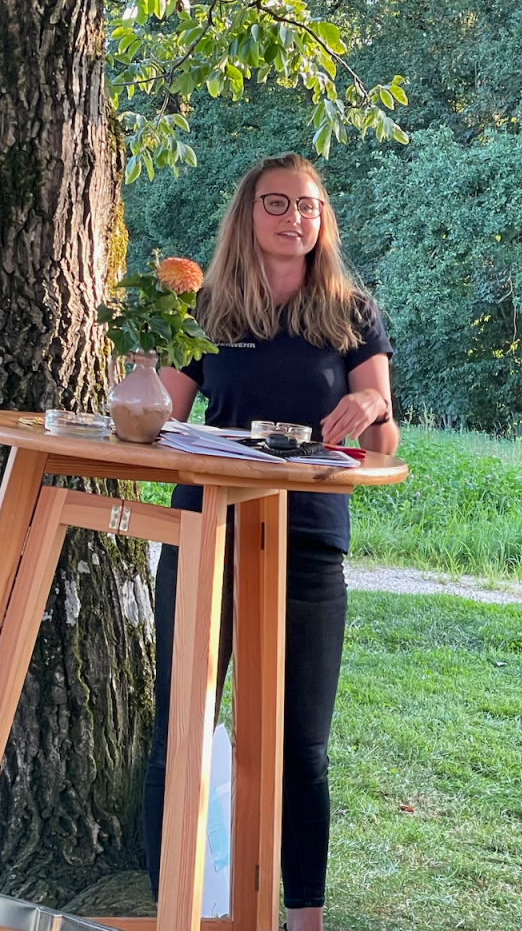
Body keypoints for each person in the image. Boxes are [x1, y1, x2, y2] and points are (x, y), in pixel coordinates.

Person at [142, 153, 400, 931]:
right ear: (248, 215)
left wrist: (370, 408)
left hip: (309, 543)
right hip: (206, 531)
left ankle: (303, 918)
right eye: (277, 203)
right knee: (182, 729)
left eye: (308, 205)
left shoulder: (352, 314)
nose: (294, 217)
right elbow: (156, 420)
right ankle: (173, 909)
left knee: (302, 747)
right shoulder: (208, 309)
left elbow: (384, 444)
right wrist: (143, 357)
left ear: (324, 219)